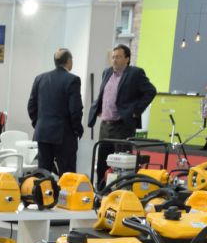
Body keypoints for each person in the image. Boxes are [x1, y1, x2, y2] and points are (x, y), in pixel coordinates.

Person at [87, 44, 157, 179]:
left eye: (118, 57)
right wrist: (99, 108)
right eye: (113, 57)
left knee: (120, 164)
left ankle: (120, 188)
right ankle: (100, 188)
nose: (114, 60)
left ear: (127, 59)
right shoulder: (107, 72)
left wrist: (136, 111)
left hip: (122, 126)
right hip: (105, 126)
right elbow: (104, 94)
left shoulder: (135, 73)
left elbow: (151, 91)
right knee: (102, 163)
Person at [27, 47, 84, 175]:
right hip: (64, 135)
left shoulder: (40, 78)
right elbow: (75, 110)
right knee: (67, 176)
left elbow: (31, 106)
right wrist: (77, 129)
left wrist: (39, 124)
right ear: (69, 61)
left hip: (43, 134)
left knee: (43, 173)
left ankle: (44, 188)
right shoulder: (72, 80)